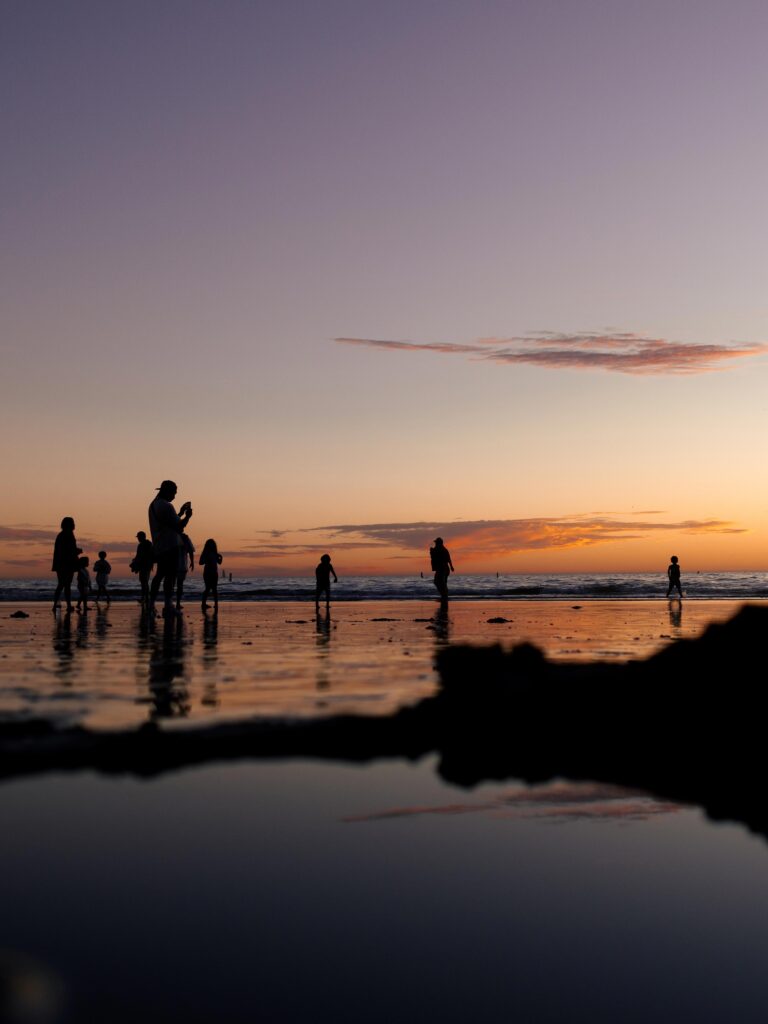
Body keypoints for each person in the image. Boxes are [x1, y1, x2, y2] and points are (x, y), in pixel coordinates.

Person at [148, 480, 193, 617]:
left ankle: (151, 604)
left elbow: (167, 523)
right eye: (174, 493)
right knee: (170, 576)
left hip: (159, 545)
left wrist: (179, 514)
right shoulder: (167, 506)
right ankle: (168, 606)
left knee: (159, 575)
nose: (174, 496)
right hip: (170, 545)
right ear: (167, 491)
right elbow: (179, 527)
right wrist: (188, 517)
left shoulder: (154, 505)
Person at [52, 516, 79, 613]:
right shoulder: (68, 535)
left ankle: (58, 605)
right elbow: (68, 550)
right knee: (65, 584)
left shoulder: (61, 535)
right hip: (67, 563)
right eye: (73, 523)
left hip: (61, 563)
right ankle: (64, 605)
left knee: (63, 584)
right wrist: (77, 551)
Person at [131, 531, 155, 608]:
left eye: (138, 537)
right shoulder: (142, 545)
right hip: (142, 565)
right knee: (143, 581)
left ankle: (146, 598)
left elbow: (149, 555)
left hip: (146, 565)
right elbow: (138, 555)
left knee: (144, 581)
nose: (138, 539)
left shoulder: (148, 544)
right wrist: (134, 562)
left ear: (142, 537)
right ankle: (145, 597)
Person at [199, 539, 223, 615]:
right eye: (210, 544)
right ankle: (203, 604)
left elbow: (219, 563)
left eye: (212, 544)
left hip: (214, 573)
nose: (211, 546)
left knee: (214, 589)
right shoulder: (205, 553)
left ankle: (216, 604)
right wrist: (207, 559)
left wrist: (220, 557)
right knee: (208, 588)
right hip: (207, 573)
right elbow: (200, 562)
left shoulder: (215, 554)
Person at [175, 533, 195, 611]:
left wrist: (192, 562)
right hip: (181, 565)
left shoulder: (174, 536)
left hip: (176, 565)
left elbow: (190, 550)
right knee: (179, 585)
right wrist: (192, 562)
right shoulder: (184, 537)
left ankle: (174, 602)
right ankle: (177, 603)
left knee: (175, 584)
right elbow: (190, 550)